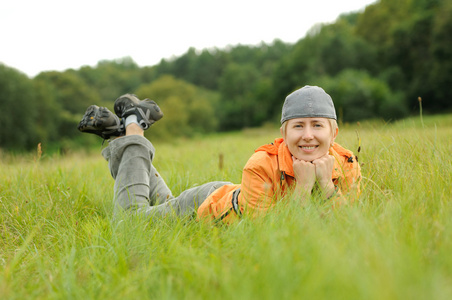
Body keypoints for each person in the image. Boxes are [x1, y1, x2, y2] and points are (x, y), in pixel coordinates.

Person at [78, 86, 361, 223]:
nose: (308, 135)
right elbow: (275, 234)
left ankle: (120, 136)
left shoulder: (346, 164)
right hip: (201, 208)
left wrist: (325, 185)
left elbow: (347, 226)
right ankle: (133, 125)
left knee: (162, 207)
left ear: (333, 133)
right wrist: (303, 187)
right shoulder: (261, 164)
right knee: (130, 223)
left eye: (317, 125)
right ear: (284, 135)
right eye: (298, 126)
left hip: (223, 201)